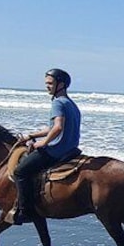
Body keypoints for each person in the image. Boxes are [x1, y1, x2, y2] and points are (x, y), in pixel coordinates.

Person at [11, 68, 82, 225]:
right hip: (70, 148)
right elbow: (53, 128)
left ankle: (25, 211)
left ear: (61, 84)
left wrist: (43, 143)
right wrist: (32, 136)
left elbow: (57, 128)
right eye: (46, 84)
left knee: (20, 172)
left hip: (56, 150)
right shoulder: (71, 103)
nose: (47, 87)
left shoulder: (57, 102)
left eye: (50, 83)